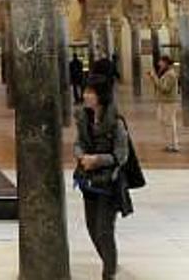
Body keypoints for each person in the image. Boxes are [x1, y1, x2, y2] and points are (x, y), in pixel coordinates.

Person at [73, 77, 133, 280]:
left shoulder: (116, 122)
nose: (86, 96)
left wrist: (97, 159)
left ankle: (108, 273)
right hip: (89, 180)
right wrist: (82, 157)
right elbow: (78, 142)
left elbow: (122, 155)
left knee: (104, 230)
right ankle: (110, 261)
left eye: (91, 92)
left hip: (109, 182)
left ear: (101, 96)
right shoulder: (83, 117)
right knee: (92, 228)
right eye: (86, 91)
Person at [147, 55, 180, 153]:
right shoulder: (165, 73)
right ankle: (168, 143)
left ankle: (174, 144)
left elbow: (165, 88)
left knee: (170, 123)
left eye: (160, 62)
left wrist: (154, 78)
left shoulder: (171, 74)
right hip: (163, 101)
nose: (159, 64)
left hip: (169, 102)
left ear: (165, 63)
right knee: (164, 122)